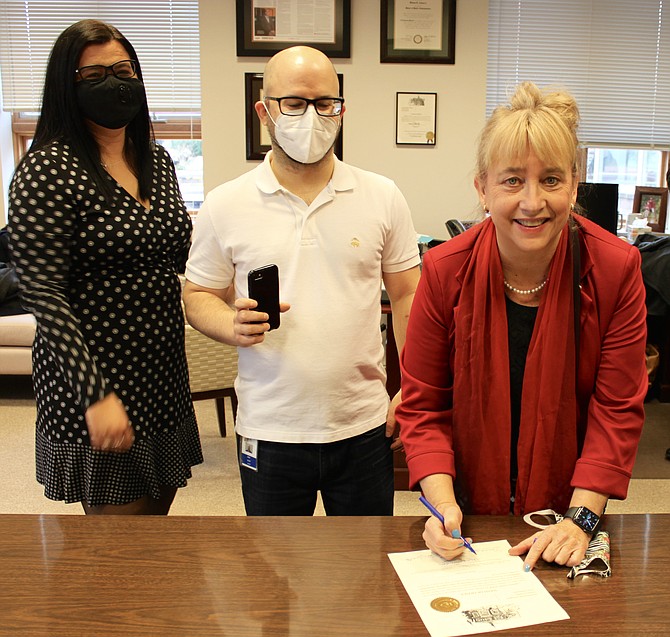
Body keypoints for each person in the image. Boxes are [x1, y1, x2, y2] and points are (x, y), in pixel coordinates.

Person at [397, 81, 647, 570]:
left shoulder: (617, 269)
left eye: (551, 180)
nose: (533, 202)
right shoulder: (444, 270)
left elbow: (615, 410)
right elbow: (425, 405)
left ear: (574, 185)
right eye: (512, 181)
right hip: (469, 508)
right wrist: (442, 504)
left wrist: (580, 520)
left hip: (572, 508)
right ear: (482, 187)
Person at [183, 45, 421, 516]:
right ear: (264, 111)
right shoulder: (225, 203)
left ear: (341, 110)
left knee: (363, 566)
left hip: (363, 425)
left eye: (324, 103)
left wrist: (410, 391)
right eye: (293, 103)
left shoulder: (382, 196)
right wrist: (229, 324)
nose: (310, 116)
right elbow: (198, 296)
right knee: (276, 572)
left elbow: (410, 295)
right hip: (270, 429)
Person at [8, 19, 202, 514]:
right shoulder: (47, 168)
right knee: (117, 542)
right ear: (66, 86)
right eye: (93, 75)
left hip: (160, 372)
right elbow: (42, 293)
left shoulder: (157, 160)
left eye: (122, 69)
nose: (113, 83)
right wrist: (96, 396)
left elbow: (179, 254)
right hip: (94, 377)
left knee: (156, 521)